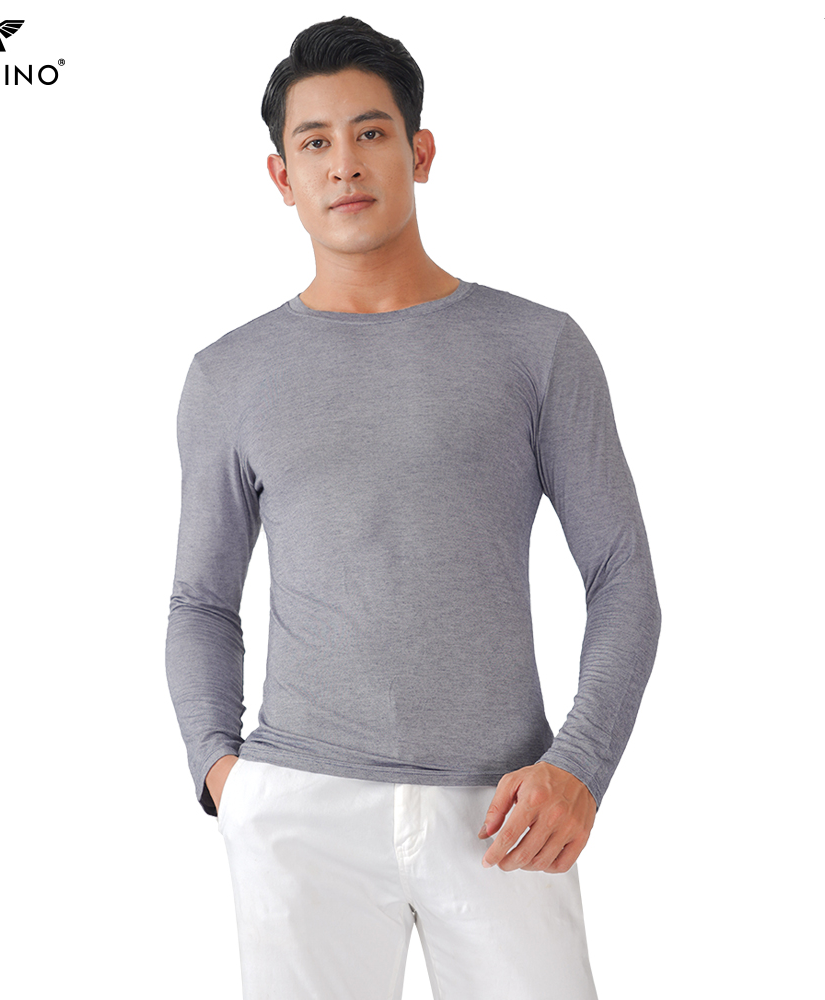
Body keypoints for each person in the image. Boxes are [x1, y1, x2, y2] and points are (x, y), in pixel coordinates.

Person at [165, 15, 661, 999]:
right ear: (282, 177)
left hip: (504, 810)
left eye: (370, 132)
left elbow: (621, 577)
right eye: (314, 142)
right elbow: (200, 601)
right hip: (299, 807)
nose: (344, 163)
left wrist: (581, 766)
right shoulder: (230, 374)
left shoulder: (536, 347)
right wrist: (224, 773)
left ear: (420, 152)